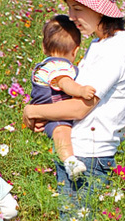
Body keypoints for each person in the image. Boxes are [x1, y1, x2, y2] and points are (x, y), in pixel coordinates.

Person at [22, 0, 125, 221]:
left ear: (101, 11)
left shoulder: (114, 50)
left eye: (77, 9)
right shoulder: (100, 44)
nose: (71, 18)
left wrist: (36, 110)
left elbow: (81, 105)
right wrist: (48, 117)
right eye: (70, 9)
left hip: (90, 155)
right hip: (80, 149)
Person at [29, 15, 97, 179]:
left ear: (44, 48)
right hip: (54, 112)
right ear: (76, 50)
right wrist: (80, 91)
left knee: (62, 133)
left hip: (49, 111)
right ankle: (70, 162)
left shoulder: (48, 64)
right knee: (62, 132)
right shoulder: (58, 66)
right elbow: (64, 83)